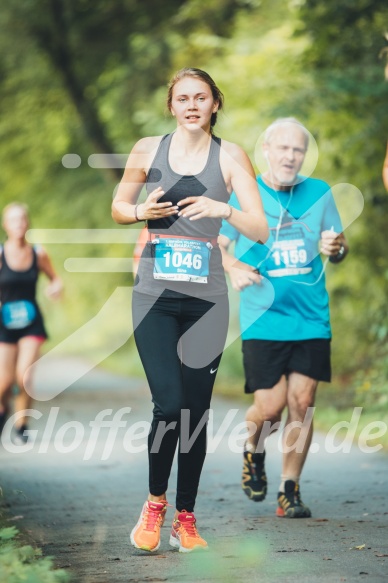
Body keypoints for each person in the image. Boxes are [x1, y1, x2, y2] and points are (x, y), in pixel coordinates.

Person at [112, 67, 268, 552]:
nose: (193, 105)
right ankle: (155, 505)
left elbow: (260, 228)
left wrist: (225, 211)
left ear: (215, 103)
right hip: (154, 300)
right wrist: (142, 212)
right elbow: (119, 205)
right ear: (172, 105)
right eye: (183, 98)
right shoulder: (146, 150)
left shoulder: (230, 156)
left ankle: (186, 516)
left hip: (207, 302)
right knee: (168, 404)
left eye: (201, 97)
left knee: (195, 412)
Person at [219, 117, 349, 518]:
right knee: (270, 409)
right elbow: (218, 247)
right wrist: (234, 267)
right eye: (284, 148)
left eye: (298, 150)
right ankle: (253, 451)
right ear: (267, 152)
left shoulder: (320, 193)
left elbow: (338, 248)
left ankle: (289, 489)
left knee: (303, 402)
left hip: (311, 317)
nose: (291, 156)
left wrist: (337, 246)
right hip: (264, 317)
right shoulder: (247, 194)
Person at [0, 202, 63, 444]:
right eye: (13, 220)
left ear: (27, 223)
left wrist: (55, 288)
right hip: (4, 323)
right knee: (4, 383)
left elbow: (55, 279)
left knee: (23, 376)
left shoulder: (38, 253)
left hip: (30, 323)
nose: (19, 224)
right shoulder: (1, 254)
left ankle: (21, 426)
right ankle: (3, 411)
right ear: (6, 225)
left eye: (22, 219)